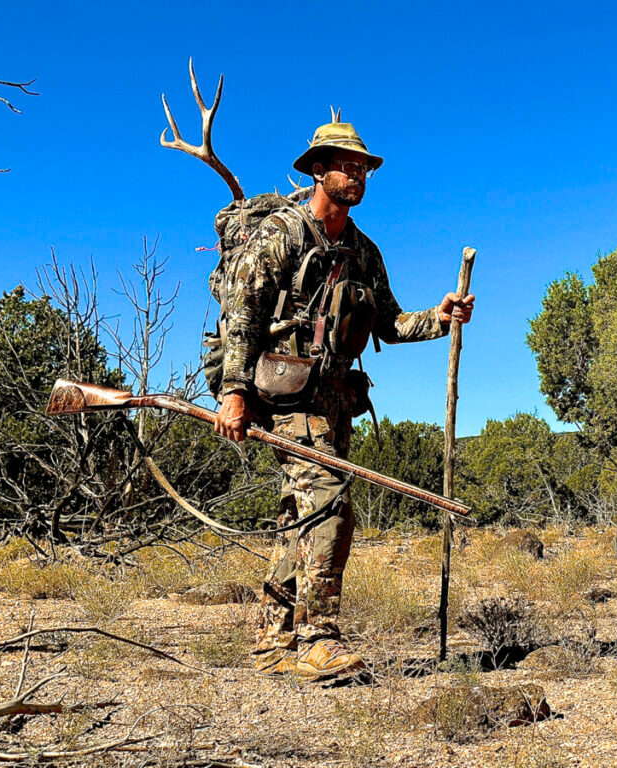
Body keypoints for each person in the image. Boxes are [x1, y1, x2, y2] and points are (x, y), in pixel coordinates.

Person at [212, 111, 474, 677]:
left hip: (335, 402)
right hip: (282, 395)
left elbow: (389, 324)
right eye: (347, 167)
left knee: (301, 513)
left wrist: (442, 316)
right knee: (330, 504)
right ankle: (316, 638)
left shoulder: (364, 250)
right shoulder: (280, 235)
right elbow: (242, 313)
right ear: (319, 172)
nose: (357, 177)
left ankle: (272, 638)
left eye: (363, 169)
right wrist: (233, 392)